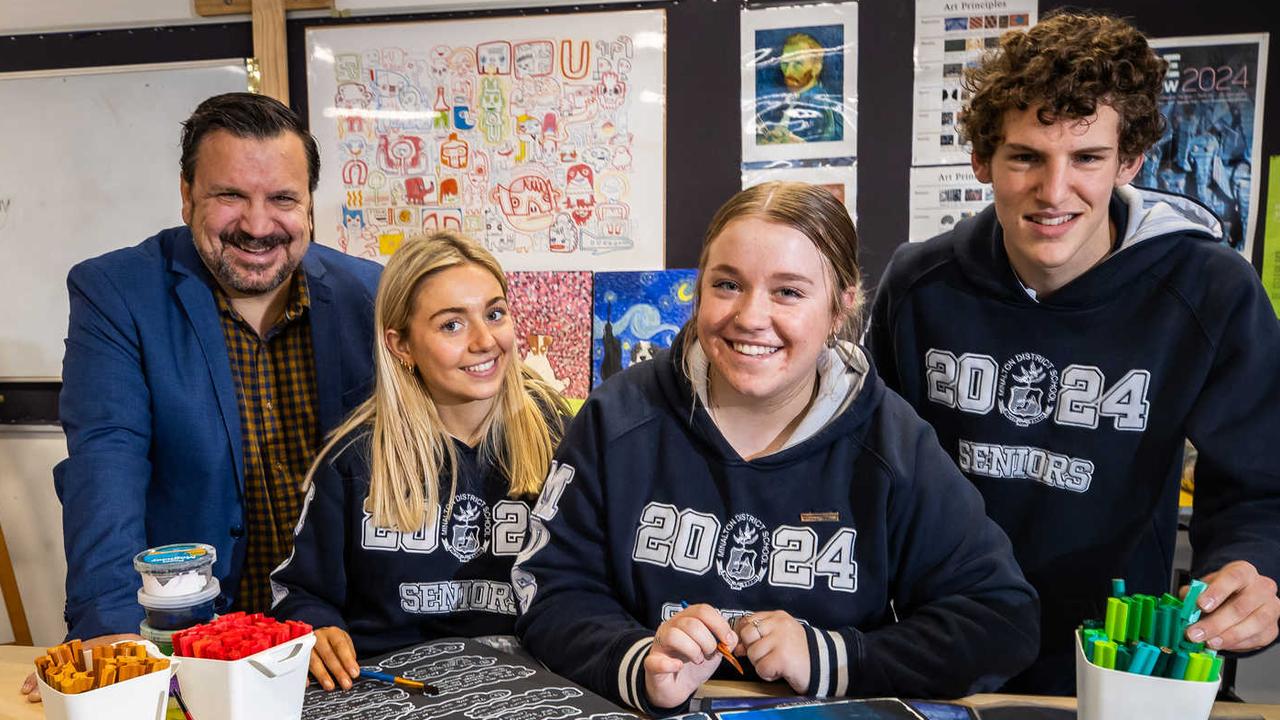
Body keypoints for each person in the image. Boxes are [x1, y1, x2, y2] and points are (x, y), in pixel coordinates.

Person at [867, 12, 1280, 695]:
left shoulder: (1210, 290)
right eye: (1026, 156)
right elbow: (864, 469)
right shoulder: (918, 287)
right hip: (935, 656)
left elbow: (1262, 486)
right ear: (982, 161)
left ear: (1129, 161)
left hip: (1119, 667)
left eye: (1086, 158)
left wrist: (1256, 565)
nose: (1054, 192)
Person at [513, 182, 1039, 715]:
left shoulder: (890, 441)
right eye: (727, 285)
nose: (750, 317)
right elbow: (550, 588)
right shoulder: (617, 418)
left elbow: (1001, 618)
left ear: (840, 306)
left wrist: (829, 657)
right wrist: (639, 661)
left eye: (788, 291)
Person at [25, 92, 382, 702]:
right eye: (230, 196)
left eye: (282, 198)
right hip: (190, 642)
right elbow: (106, 462)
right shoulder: (117, 292)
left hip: (339, 639)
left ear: (310, 205)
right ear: (187, 194)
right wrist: (112, 631)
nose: (258, 223)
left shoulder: (370, 294)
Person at [270, 231, 567, 691]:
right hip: (392, 688)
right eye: (452, 325)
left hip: (532, 686)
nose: (485, 340)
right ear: (401, 345)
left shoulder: (559, 433)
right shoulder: (354, 457)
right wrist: (315, 628)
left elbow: (599, 585)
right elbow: (300, 592)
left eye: (494, 313)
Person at [756, 32, 843, 145]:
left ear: (816, 68)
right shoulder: (793, 99)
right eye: (785, 64)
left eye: (797, 64)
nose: (788, 72)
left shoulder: (818, 106)